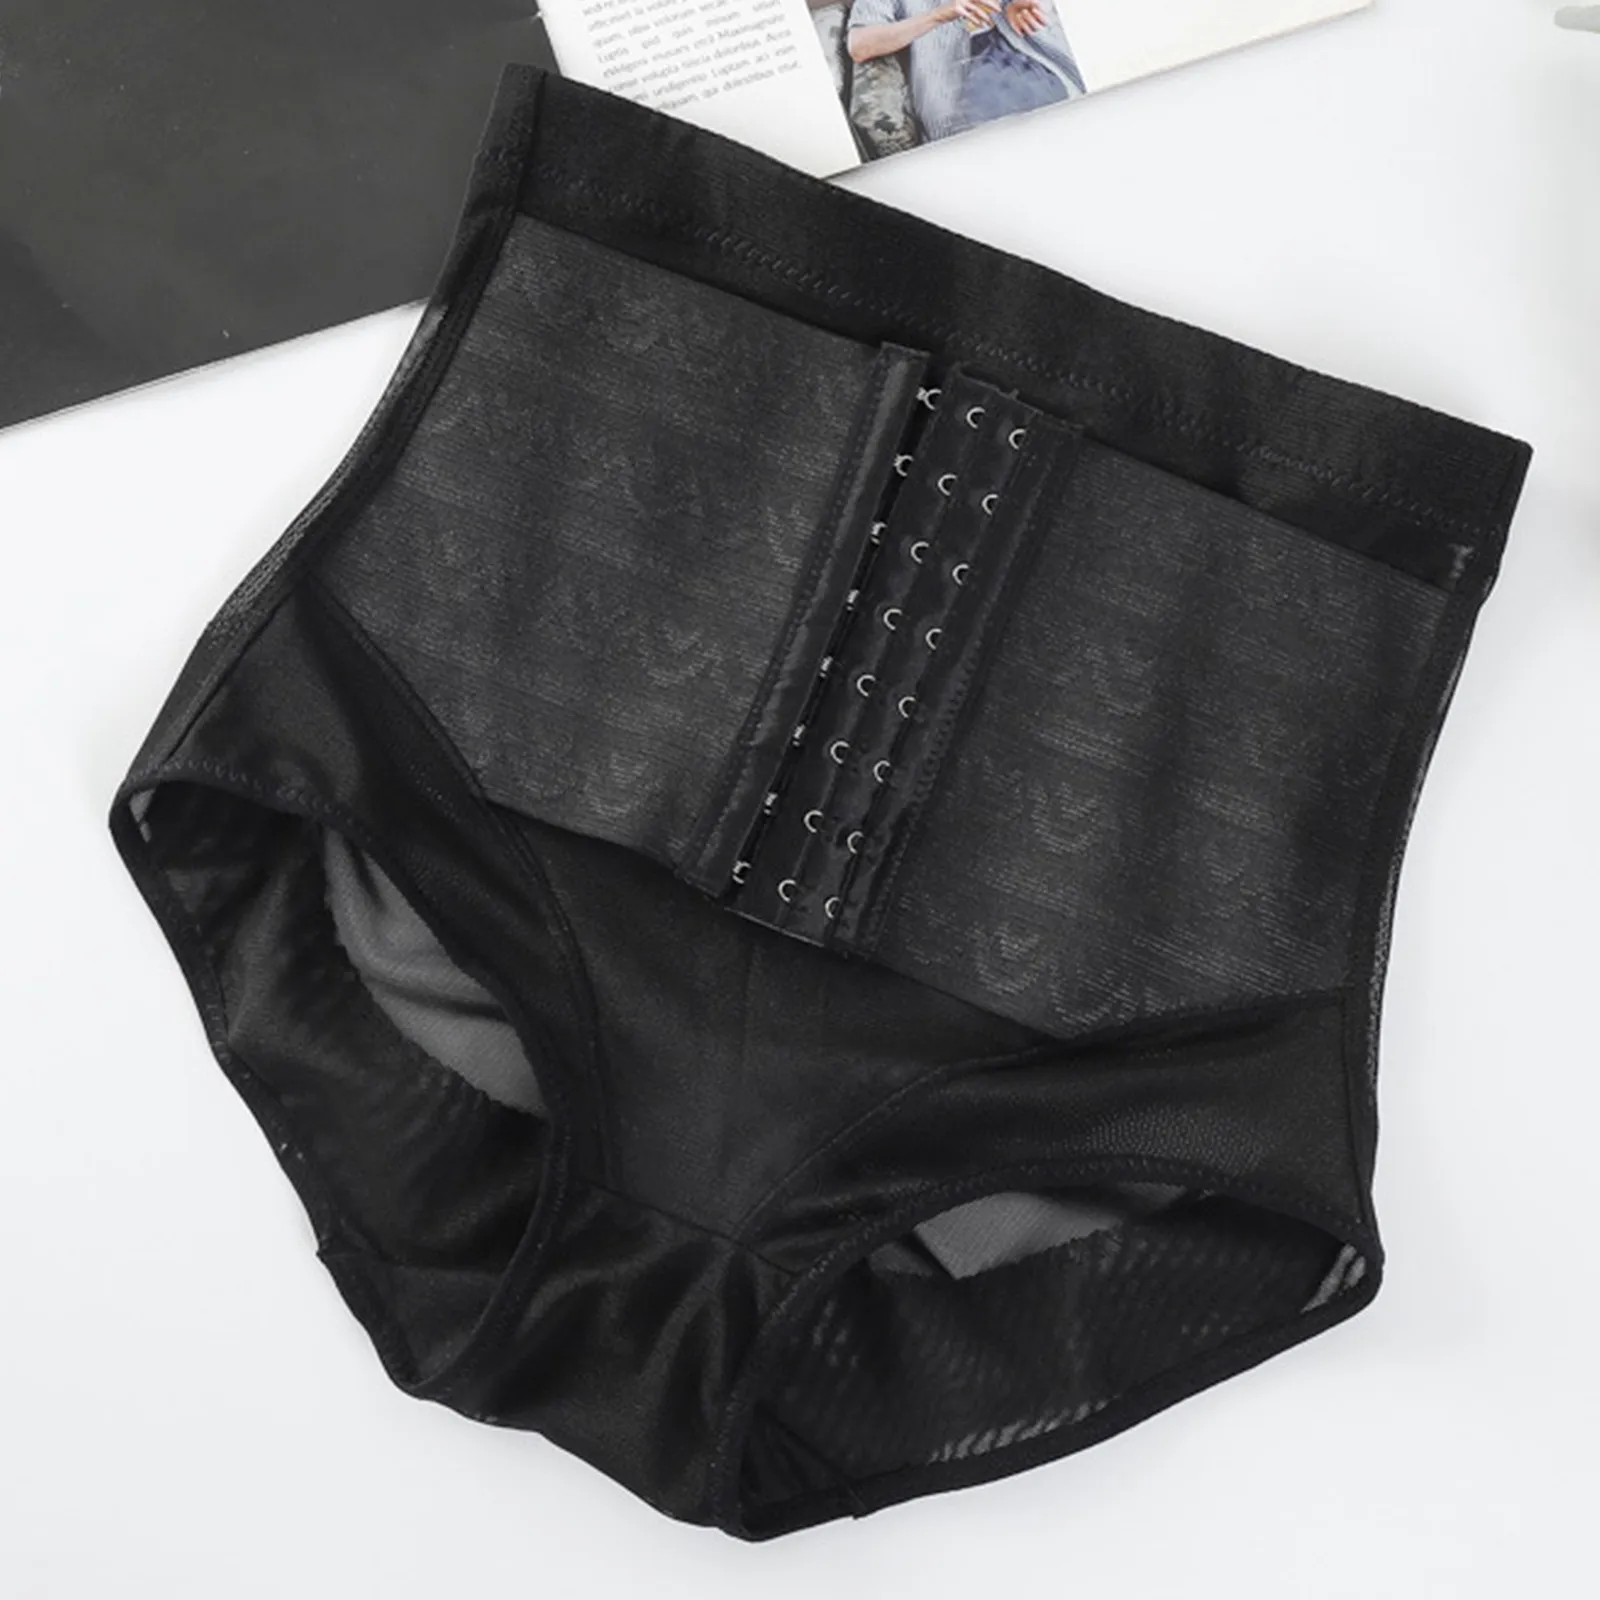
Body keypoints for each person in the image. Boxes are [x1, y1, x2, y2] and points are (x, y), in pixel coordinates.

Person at [846, 0, 1085, 143]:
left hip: (1031, 56)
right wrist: (937, 16)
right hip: (963, 87)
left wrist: (1030, 6)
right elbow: (860, 45)